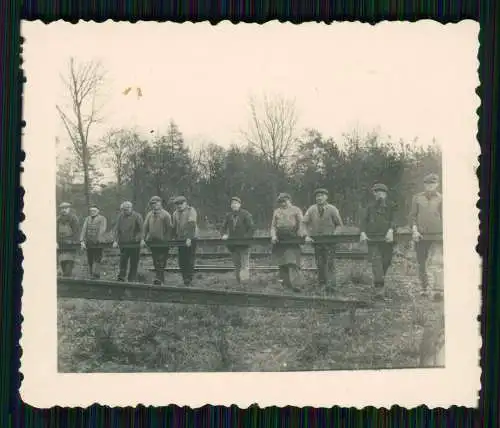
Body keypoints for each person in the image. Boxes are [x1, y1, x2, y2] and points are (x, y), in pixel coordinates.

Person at [359, 183, 398, 300]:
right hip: (373, 239)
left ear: (385, 194)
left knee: (386, 262)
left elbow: (395, 220)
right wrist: (363, 232)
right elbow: (363, 222)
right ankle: (379, 290)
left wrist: (391, 230)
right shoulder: (369, 207)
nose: (379, 194)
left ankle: (379, 280)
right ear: (374, 194)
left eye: (382, 192)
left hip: (387, 240)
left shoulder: (392, 206)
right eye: (377, 192)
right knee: (376, 263)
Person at [409, 173, 443, 300]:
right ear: (424, 185)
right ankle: (424, 288)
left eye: (433, 183)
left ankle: (438, 290)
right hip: (421, 236)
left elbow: (446, 217)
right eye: (428, 184)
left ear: (437, 184)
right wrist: (415, 230)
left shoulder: (442, 198)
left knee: (437, 262)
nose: (430, 186)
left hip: (438, 236)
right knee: (421, 263)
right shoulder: (417, 198)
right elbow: (412, 216)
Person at [303, 188, 343, 290]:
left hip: (330, 242)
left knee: (330, 263)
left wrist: (334, 236)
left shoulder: (332, 209)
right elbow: (304, 223)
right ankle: (322, 285)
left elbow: (339, 225)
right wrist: (307, 235)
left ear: (326, 197)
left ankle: (332, 286)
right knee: (320, 264)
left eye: (322, 195)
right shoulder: (311, 209)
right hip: (317, 242)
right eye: (317, 196)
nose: (319, 198)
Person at [270, 193, 305, 292]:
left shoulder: (296, 210)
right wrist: (273, 235)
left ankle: (297, 285)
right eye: (281, 202)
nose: (283, 204)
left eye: (285, 201)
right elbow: (273, 226)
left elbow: (302, 224)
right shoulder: (277, 211)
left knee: (292, 262)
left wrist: (300, 232)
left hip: (292, 238)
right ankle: (286, 285)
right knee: (282, 263)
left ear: (289, 200)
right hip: (280, 239)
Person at [221, 196, 255, 284]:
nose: (234, 205)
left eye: (236, 203)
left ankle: (244, 283)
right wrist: (224, 235)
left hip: (244, 244)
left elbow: (251, 228)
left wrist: (246, 238)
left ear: (240, 204)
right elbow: (223, 228)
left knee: (244, 265)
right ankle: (238, 282)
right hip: (233, 245)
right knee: (237, 265)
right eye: (232, 204)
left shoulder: (246, 214)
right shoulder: (228, 215)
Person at [143, 196, 172, 285]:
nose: (154, 205)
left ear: (160, 203)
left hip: (163, 242)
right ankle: (159, 278)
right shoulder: (149, 215)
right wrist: (144, 239)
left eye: (156, 203)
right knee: (155, 261)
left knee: (162, 260)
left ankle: (160, 278)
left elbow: (169, 229)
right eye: (152, 204)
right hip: (153, 242)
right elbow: (145, 227)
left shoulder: (166, 215)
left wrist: (167, 241)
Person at [112, 201, 144, 282]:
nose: (125, 211)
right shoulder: (120, 217)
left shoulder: (137, 216)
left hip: (134, 244)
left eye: (126, 209)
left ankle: (132, 279)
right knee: (123, 261)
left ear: (131, 208)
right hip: (123, 243)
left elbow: (141, 229)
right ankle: (121, 277)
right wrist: (115, 240)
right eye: (123, 210)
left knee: (134, 262)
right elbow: (116, 229)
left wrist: (140, 239)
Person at [172, 196, 199, 286]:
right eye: (177, 204)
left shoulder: (191, 210)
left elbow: (192, 224)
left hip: (191, 238)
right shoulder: (175, 213)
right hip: (180, 239)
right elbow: (174, 227)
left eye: (181, 204)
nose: (179, 206)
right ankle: (185, 278)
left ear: (185, 203)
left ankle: (189, 278)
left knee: (189, 259)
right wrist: (173, 238)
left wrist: (189, 238)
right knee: (182, 260)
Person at [80, 205, 107, 279]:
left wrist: (97, 239)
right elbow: (84, 229)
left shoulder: (102, 218)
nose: (92, 212)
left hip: (98, 242)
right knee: (90, 258)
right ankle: (91, 274)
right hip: (89, 242)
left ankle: (96, 274)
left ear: (98, 211)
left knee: (97, 258)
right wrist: (82, 240)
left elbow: (102, 229)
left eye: (94, 211)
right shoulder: (87, 219)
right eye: (91, 211)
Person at [56, 202, 80, 277]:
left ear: (69, 209)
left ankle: (68, 276)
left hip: (70, 244)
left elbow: (76, 231)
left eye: (66, 208)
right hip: (61, 243)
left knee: (69, 261)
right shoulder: (58, 219)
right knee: (62, 261)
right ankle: (66, 277)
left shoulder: (73, 218)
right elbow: (55, 231)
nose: (64, 210)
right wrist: (55, 241)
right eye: (62, 208)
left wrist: (74, 241)